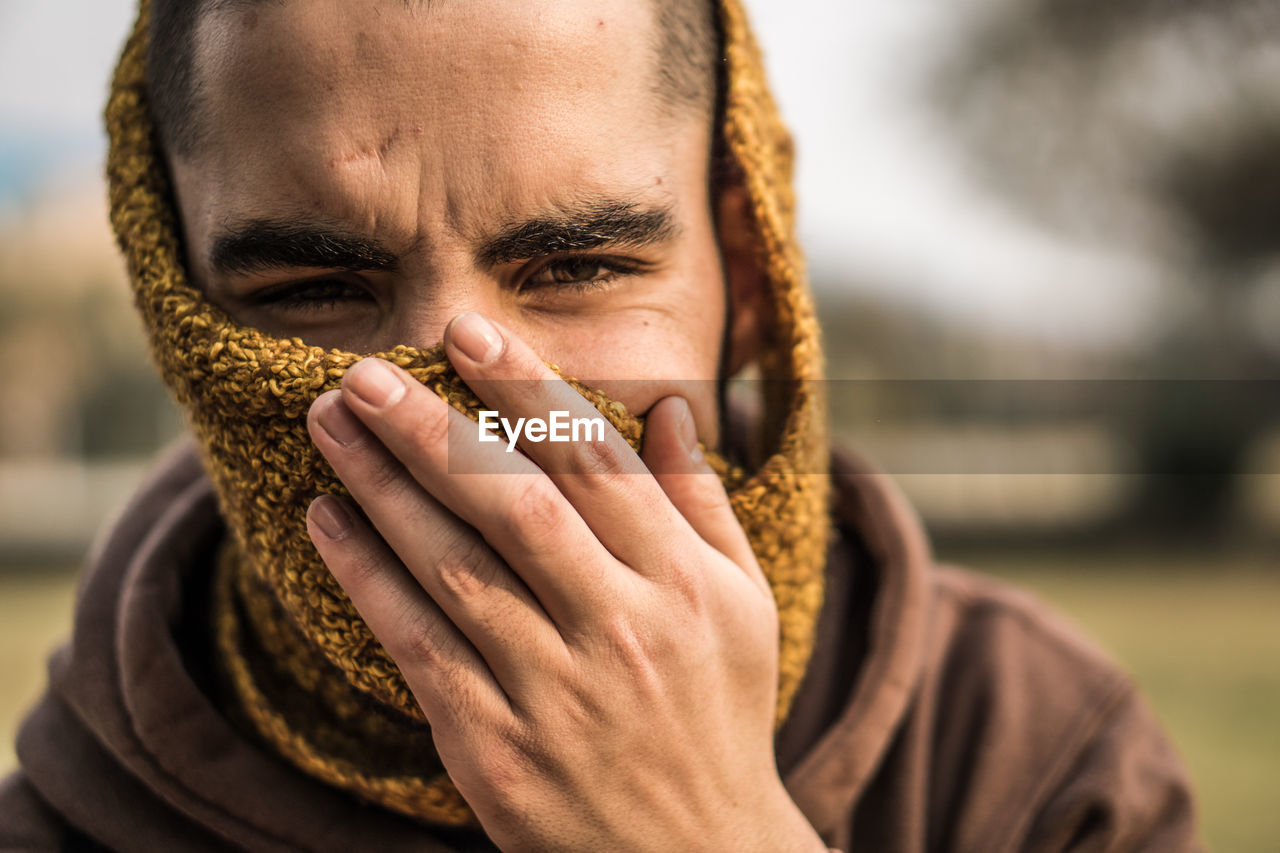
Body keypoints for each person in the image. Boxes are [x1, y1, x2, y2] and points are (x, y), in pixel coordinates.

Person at [0, 0, 1202, 850]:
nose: (450, 401)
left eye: (575, 267)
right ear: (176, 315)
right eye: (312, 290)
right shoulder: (61, 820)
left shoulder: (1033, 764)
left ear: (745, 267)